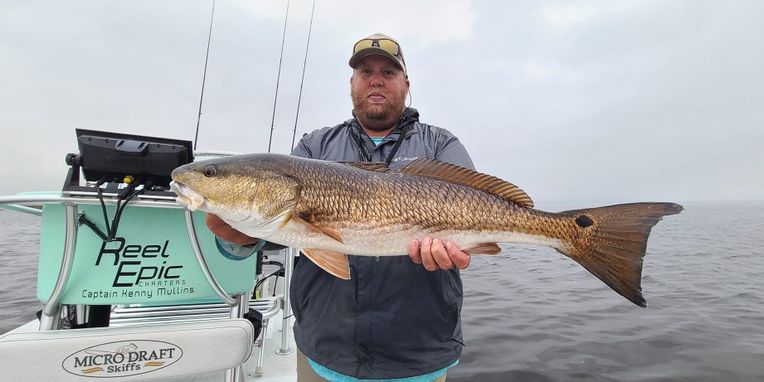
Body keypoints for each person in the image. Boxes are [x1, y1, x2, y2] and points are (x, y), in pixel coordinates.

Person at [207, 33, 475, 381]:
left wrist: (461, 252)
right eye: (365, 71)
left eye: (388, 73)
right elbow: (271, 236)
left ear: (406, 84)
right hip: (326, 349)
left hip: (420, 352)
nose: (375, 79)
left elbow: (473, 206)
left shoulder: (440, 143)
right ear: (352, 82)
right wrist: (236, 236)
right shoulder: (314, 146)